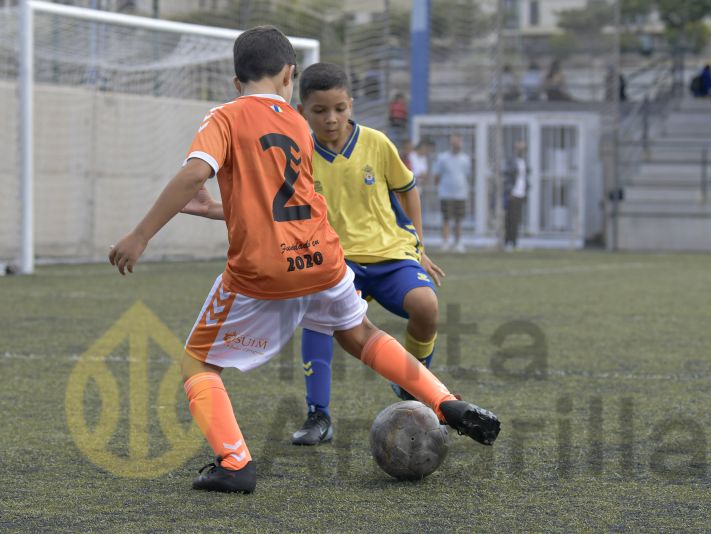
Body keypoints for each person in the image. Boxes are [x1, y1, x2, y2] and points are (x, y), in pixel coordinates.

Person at [108, 27, 500, 493]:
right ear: (289, 75)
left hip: (263, 270)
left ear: (237, 83)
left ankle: (235, 463)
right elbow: (282, 201)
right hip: (323, 257)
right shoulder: (296, 124)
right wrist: (224, 210)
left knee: (197, 365)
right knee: (360, 334)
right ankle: (444, 401)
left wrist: (140, 234)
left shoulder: (225, 117)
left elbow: (196, 172)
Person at [183, 61, 447, 447]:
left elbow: (408, 188)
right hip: (333, 259)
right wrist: (213, 209)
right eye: (320, 111)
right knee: (319, 322)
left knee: (427, 306)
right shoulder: (297, 146)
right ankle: (318, 416)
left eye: (340, 109)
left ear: (351, 106)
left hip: (388, 255)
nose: (332, 119)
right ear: (302, 110)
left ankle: (415, 380)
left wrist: (418, 246)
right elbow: (269, 205)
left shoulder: (376, 143)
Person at [432, 134, 471, 253]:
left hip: (461, 194)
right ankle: (445, 242)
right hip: (446, 193)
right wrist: (440, 187)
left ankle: (458, 242)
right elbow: (437, 175)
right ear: (450, 143)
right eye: (454, 142)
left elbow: (467, 174)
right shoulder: (442, 158)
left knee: (459, 219)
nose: (456, 144)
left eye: (458, 142)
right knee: (446, 219)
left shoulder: (465, 159)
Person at [503, 140, 529, 252]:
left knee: (517, 219)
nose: (521, 149)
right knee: (510, 219)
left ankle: (515, 242)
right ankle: (508, 242)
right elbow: (507, 175)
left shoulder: (524, 161)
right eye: (519, 146)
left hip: (521, 193)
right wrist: (510, 191)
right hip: (513, 193)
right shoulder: (511, 161)